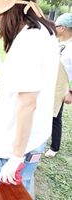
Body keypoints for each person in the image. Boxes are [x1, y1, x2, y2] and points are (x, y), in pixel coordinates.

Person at [0, 0, 58, 195]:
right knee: (22, 192)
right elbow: (30, 88)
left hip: (15, 145)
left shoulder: (27, 42)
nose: (0, 26)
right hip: (35, 137)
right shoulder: (45, 32)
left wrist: (16, 157)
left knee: (8, 195)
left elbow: (28, 104)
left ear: (9, 12)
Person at [45, 13, 72, 158]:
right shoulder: (57, 44)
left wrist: (71, 93)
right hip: (49, 83)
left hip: (60, 87)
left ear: (62, 28)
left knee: (55, 117)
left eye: (55, 26)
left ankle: (54, 147)